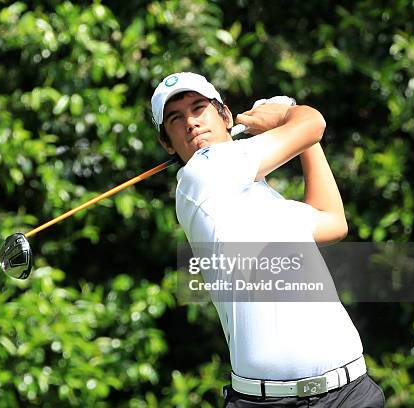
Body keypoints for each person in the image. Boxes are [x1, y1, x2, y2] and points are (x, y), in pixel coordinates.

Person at [151, 72, 385, 407]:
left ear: (226, 115)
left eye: (199, 108)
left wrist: (305, 136)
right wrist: (287, 113)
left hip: (350, 393)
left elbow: (332, 222)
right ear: (167, 144)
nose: (191, 123)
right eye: (176, 119)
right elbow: (313, 122)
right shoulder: (199, 177)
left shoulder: (261, 199)